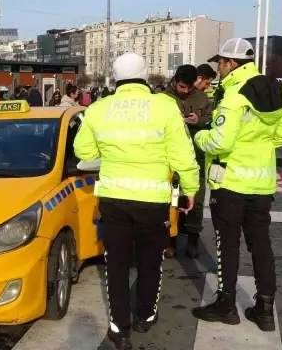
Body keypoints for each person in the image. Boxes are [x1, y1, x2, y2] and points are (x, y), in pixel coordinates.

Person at [73, 53, 199, 349]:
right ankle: (145, 315)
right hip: (153, 201)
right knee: (149, 260)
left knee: (115, 264)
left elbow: (84, 151)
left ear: (115, 77)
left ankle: (120, 328)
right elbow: (183, 154)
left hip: (114, 200)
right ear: (145, 73)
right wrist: (189, 190)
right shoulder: (165, 106)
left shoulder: (98, 109)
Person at [191, 38, 282, 332]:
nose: (218, 68)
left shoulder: (234, 96)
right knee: (261, 244)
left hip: (231, 183)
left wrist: (200, 136)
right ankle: (264, 309)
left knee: (228, 245)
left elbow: (220, 140)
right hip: (261, 183)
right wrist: (259, 148)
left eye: (220, 62)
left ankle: (226, 306)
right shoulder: (279, 90)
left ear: (232, 63)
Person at [160, 64, 213, 259]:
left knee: (196, 201)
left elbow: (211, 119)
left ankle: (192, 240)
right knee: (172, 201)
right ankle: (170, 241)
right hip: (169, 158)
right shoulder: (163, 99)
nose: (185, 90)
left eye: (189, 87)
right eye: (182, 86)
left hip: (195, 156)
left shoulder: (201, 97)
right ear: (174, 81)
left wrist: (198, 120)